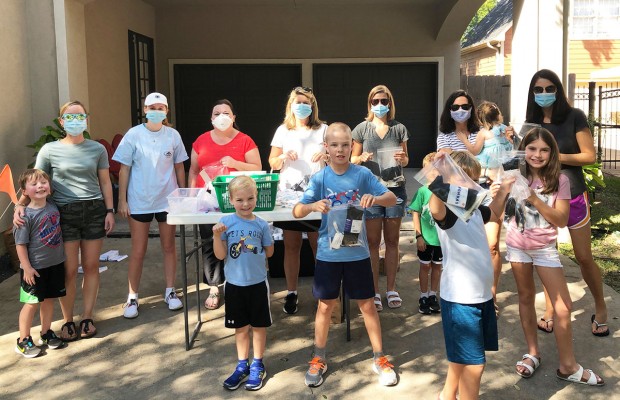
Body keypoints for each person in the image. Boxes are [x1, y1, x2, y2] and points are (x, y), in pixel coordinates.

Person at [293, 122, 398, 387]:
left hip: (357, 253)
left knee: (367, 306)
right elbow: (297, 210)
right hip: (328, 254)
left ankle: (379, 357)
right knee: (325, 306)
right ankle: (319, 358)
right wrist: (312, 206)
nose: (340, 150)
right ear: (326, 148)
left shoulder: (362, 174)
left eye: (345, 144)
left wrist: (374, 199)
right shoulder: (320, 178)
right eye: (334, 145)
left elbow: (392, 198)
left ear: (352, 146)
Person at [505, 128, 604, 386]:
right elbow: (499, 211)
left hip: (544, 249)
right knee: (525, 297)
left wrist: (533, 198)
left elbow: (560, 220)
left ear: (552, 153)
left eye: (544, 150)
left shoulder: (560, 180)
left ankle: (568, 365)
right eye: (532, 148)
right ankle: (533, 353)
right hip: (517, 246)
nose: (537, 155)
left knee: (563, 308)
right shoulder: (513, 176)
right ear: (523, 150)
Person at [15, 100, 115, 341]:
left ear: (86, 119)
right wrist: (20, 205)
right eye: (69, 117)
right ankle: (68, 320)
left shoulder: (97, 149)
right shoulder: (49, 150)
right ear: (61, 122)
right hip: (63, 213)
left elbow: (104, 182)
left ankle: (88, 316)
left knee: (91, 266)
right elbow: (34, 179)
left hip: (93, 210)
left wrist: (109, 210)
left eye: (79, 116)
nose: (75, 121)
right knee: (69, 270)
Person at [525, 69, 609, 337]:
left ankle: (600, 306)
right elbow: (523, 159)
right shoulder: (531, 123)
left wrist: (554, 156)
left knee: (584, 257)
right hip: (542, 197)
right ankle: (551, 310)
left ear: (558, 90)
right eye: (538, 90)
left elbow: (589, 156)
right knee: (547, 255)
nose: (544, 94)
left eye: (549, 88)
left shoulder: (574, 117)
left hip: (572, 194)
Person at [428, 151, 514, 400]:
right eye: (465, 179)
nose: (473, 185)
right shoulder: (449, 215)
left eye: (475, 180)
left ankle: (447, 395)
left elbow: (494, 213)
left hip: (481, 296)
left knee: (462, 357)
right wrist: (441, 173)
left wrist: (504, 190)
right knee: (474, 365)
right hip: (461, 300)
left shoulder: (473, 210)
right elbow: (436, 207)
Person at [113, 92, 188, 319]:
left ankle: (170, 291)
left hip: (167, 200)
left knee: (168, 247)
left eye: (161, 107)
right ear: (145, 110)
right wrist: (122, 200)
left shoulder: (173, 135)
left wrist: (182, 195)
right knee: (138, 250)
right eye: (152, 107)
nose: (157, 111)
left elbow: (179, 167)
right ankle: (132, 296)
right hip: (140, 200)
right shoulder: (133, 135)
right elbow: (124, 168)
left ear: (166, 111)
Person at [188, 99, 262, 310]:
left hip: (239, 203)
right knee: (211, 242)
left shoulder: (245, 140)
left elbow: (257, 167)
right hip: (208, 202)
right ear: (211, 119)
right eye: (217, 113)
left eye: (226, 113)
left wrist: (235, 163)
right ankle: (214, 286)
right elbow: (194, 170)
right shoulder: (201, 141)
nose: (221, 116)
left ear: (233, 117)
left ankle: (238, 282)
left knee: (239, 240)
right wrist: (193, 196)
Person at [268, 87, 327, 314]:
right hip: (289, 197)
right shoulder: (284, 130)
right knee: (291, 245)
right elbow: (272, 162)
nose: (302, 106)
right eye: (298, 102)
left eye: (306, 102)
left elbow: (338, 155)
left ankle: (322, 290)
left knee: (317, 244)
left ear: (312, 106)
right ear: (291, 105)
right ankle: (291, 292)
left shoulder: (324, 129)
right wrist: (282, 157)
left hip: (316, 194)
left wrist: (326, 155)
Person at [212, 176, 274, 391]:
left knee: (258, 326)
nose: (245, 204)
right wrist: (216, 236)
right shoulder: (225, 222)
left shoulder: (261, 224)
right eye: (239, 200)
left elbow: (270, 251)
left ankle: (257, 364)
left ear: (257, 197)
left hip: (257, 283)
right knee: (240, 328)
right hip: (234, 284)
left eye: (250, 198)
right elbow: (220, 256)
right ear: (230, 200)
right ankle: (242, 366)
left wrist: (266, 239)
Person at [351, 85, 409, 311]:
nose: (379, 105)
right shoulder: (362, 129)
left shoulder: (399, 128)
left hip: (395, 191)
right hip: (371, 192)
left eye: (384, 101)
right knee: (373, 243)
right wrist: (361, 157)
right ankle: (374, 290)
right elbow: (352, 158)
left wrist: (403, 158)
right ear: (369, 104)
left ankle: (392, 288)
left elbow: (405, 160)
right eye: (375, 101)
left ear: (390, 103)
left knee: (393, 242)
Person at [13, 169, 65, 358]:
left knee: (49, 300)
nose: (40, 186)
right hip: (34, 269)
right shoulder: (23, 216)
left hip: (55, 264)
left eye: (43, 182)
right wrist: (26, 267)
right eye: (34, 184)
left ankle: (46, 332)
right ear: (24, 191)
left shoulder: (52, 206)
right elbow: (20, 244)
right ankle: (23, 340)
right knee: (31, 303)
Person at [409, 152, 442, 315]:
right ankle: (423, 295)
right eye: (428, 170)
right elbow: (415, 212)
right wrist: (418, 235)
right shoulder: (422, 191)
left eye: (436, 169)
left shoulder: (445, 191)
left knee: (437, 267)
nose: (433, 173)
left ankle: (433, 295)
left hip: (441, 240)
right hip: (426, 239)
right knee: (425, 266)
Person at [436, 90, 480, 154]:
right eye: (455, 107)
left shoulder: (481, 133)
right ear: (449, 110)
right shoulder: (444, 138)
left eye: (465, 107)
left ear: (471, 109)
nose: (460, 110)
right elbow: (450, 162)